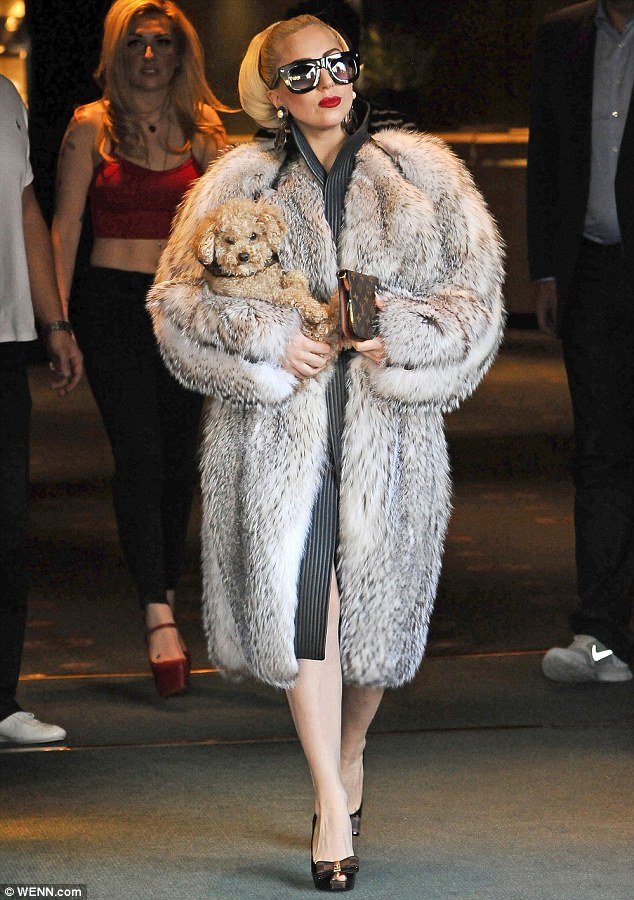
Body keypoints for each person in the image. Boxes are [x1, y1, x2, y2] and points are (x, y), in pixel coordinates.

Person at [148, 14, 504, 891]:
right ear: (271, 91)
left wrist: (402, 333)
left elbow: (477, 301)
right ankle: (329, 803)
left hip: (387, 424)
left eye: (338, 64)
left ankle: (350, 753)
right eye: (302, 72)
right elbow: (176, 303)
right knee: (312, 603)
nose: (326, 83)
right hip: (279, 430)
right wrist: (271, 345)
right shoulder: (239, 179)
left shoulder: (424, 175)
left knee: (379, 617)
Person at [51, 0, 228, 699]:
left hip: (185, 309)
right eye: (136, 43)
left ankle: (166, 595)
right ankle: (157, 613)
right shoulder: (89, 127)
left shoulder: (204, 129)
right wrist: (58, 323)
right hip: (111, 308)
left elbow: (231, 229)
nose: (150, 55)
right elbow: (64, 229)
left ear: (180, 53)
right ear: (116, 52)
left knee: (180, 459)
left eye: (162, 42)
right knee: (140, 455)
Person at [527, 0, 634, 683]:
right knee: (599, 456)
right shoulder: (562, 35)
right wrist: (546, 268)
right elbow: (547, 156)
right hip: (590, 273)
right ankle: (600, 636)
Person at [0, 75, 84, 745]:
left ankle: (1, 700)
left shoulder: (5, 96)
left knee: (7, 528)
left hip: (3, 345)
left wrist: (54, 322)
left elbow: (27, 208)